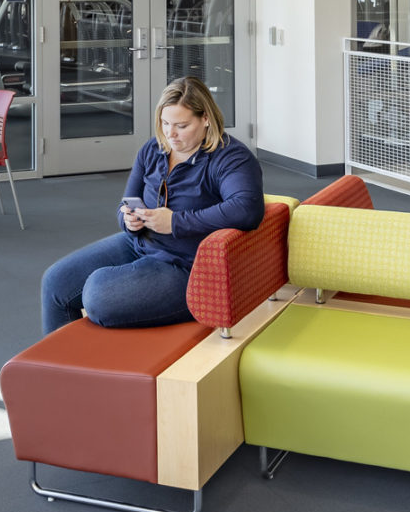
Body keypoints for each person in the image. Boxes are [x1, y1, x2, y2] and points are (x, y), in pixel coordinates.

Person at [40, 77, 264, 334]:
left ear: (206, 120)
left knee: (98, 295)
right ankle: (61, 371)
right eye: (165, 123)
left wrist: (175, 222)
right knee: (55, 282)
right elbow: (125, 203)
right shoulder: (153, 149)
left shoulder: (230, 156)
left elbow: (247, 209)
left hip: (186, 266)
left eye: (182, 125)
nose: (170, 133)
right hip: (140, 244)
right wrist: (129, 221)